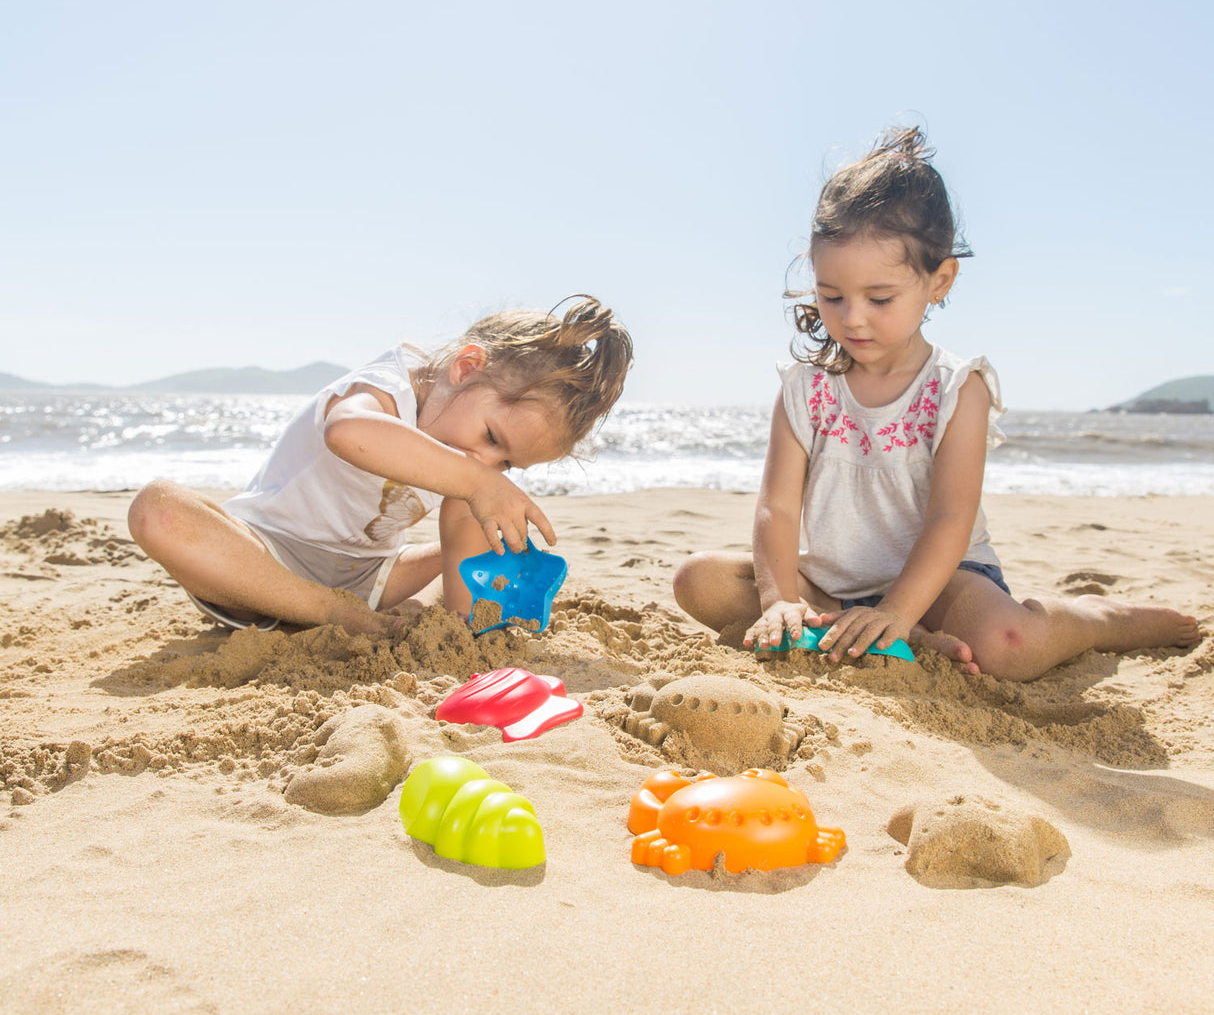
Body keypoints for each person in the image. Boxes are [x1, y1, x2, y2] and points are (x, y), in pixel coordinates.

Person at [673, 128, 1199, 681]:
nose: (852, 317)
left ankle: (1097, 621)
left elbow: (952, 517)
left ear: (939, 280)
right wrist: (780, 599)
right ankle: (885, 635)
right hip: (832, 587)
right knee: (698, 580)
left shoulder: (955, 387)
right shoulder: (805, 388)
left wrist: (899, 611)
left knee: (1009, 645)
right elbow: (776, 510)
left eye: (879, 299)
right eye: (831, 296)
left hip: (942, 583)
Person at [129, 295, 632, 636]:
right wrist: (478, 480)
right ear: (465, 368)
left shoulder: (469, 463)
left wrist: (460, 631)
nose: (487, 462)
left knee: (477, 521)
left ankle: (346, 611)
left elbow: (461, 523)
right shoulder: (387, 388)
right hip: (266, 559)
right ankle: (323, 612)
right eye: (492, 438)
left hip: (371, 578)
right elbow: (347, 433)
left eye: (508, 463)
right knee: (159, 510)